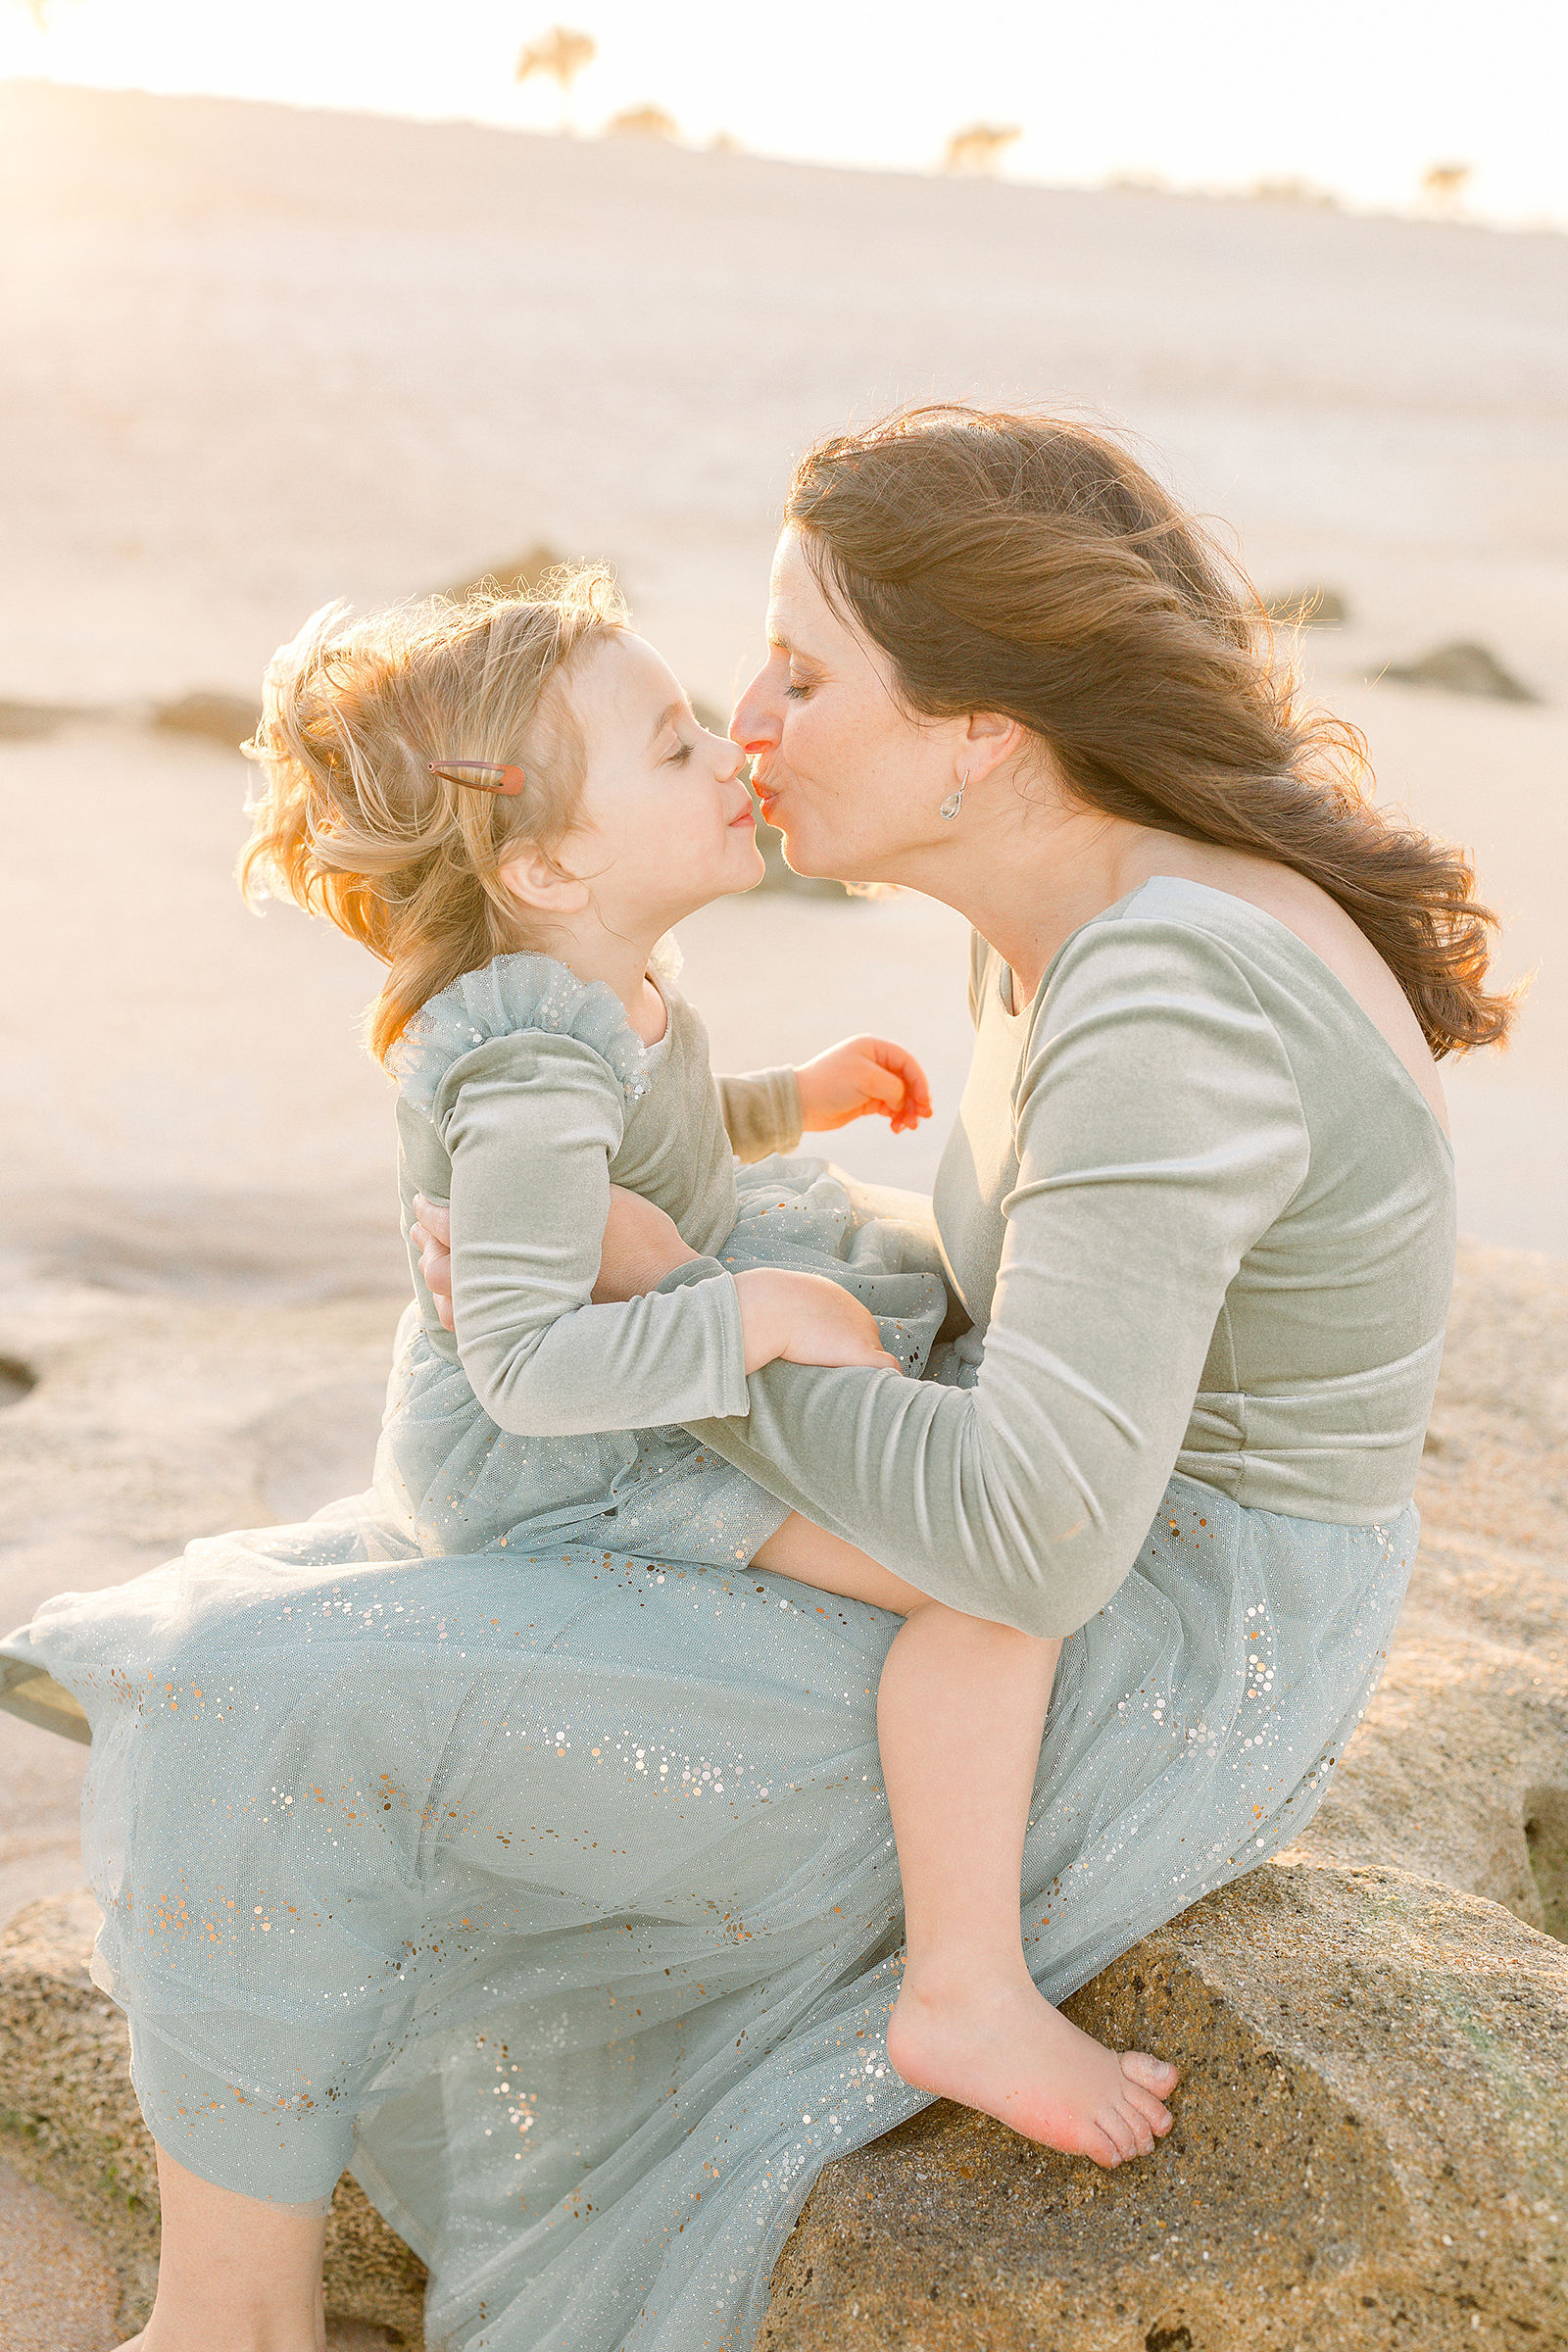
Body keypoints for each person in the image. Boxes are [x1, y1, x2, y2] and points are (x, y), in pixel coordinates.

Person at [2, 405, 1501, 2352]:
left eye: (799, 670)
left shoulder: (1163, 985)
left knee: (254, 1699)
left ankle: (231, 2333)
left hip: (1132, 1642)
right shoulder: (1058, 912)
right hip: (1040, 1546)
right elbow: (1063, 1287)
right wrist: (704, 1275)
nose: (750, 715)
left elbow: (1034, 1547)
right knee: (315, 1618)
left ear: (979, 729)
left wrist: (682, 1317)